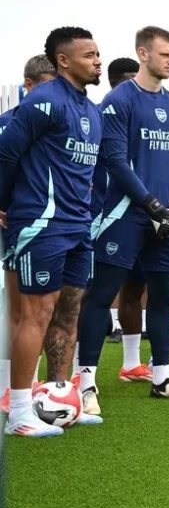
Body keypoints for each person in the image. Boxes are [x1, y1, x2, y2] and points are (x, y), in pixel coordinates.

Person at [78, 26, 169, 415]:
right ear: (143, 53)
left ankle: (162, 377)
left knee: (165, 296)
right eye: (165, 54)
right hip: (125, 215)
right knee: (102, 295)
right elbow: (115, 160)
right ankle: (85, 384)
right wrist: (152, 206)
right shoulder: (119, 100)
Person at [0, 27, 103, 437]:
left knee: (69, 311)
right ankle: (19, 411)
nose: (98, 61)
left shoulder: (90, 110)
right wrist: (4, 204)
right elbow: (6, 154)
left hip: (78, 225)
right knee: (35, 315)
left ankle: (59, 396)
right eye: (89, 55)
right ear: (64, 60)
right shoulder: (44, 101)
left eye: (98, 53)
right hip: (41, 224)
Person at [0, 55, 57, 411]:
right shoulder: (10, 122)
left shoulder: (57, 122)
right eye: (50, 88)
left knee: (48, 308)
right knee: (20, 306)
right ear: (30, 86)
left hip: (55, 226)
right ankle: (12, 386)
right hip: (19, 223)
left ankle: (38, 383)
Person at [97, 57, 142, 349]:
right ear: (114, 82)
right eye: (129, 79)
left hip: (137, 210)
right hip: (105, 209)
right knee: (102, 284)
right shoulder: (103, 113)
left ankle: (132, 361)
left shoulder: (141, 115)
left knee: (136, 284)